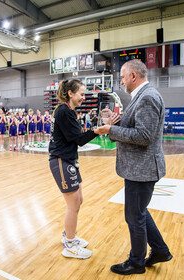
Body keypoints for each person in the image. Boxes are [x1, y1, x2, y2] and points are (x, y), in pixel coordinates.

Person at [95, 60, 172, 275]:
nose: (121, 81)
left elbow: (144, 136)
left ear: (133, 76)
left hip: (142, 169)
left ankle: (137, 262)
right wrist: (115, 124)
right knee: (139, 212)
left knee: (134, 217)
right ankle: (160, 251)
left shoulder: (147, 97)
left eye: (122, 77)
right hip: (141, 167)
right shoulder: (143, 95)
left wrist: (110, 129)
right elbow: (136, 129)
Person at [49, 79, 99, 260]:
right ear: (70, 93)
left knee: (78, 200)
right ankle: (69, 244)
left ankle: (69, 235)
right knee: (73, 204)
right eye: (81, 94)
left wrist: (95, 130)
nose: (83, 98)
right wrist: (97, 131)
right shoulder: (64, 112)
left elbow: (74, 138)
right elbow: (78, 139)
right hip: (61, 160)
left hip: (69, 161)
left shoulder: (66, 111)